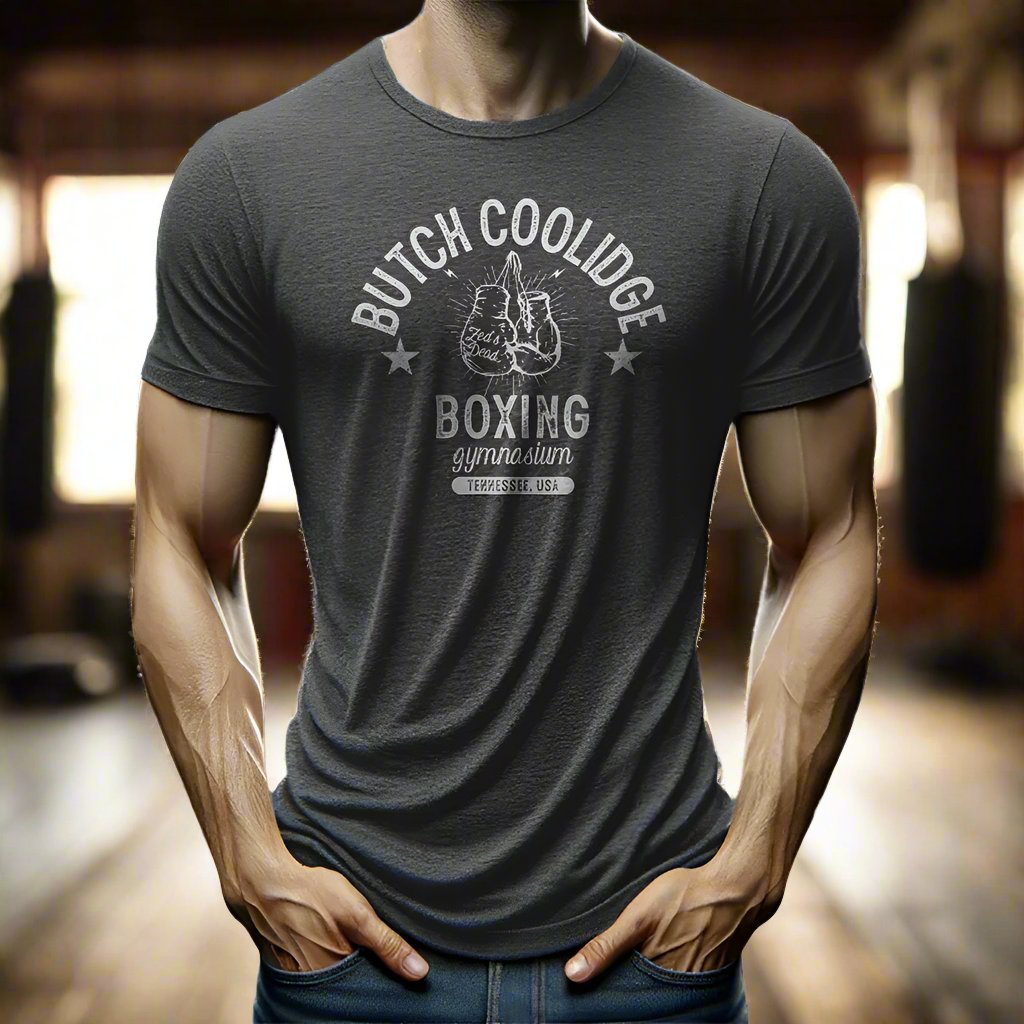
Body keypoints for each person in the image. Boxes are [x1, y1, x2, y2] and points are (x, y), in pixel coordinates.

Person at [130, 2, 879, 1021]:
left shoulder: (762, 180)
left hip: (652, 959)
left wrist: (752, 859)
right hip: (347, 954)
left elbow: (830, 533)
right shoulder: (248, 179)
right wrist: (250, 858)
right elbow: (176, 536)